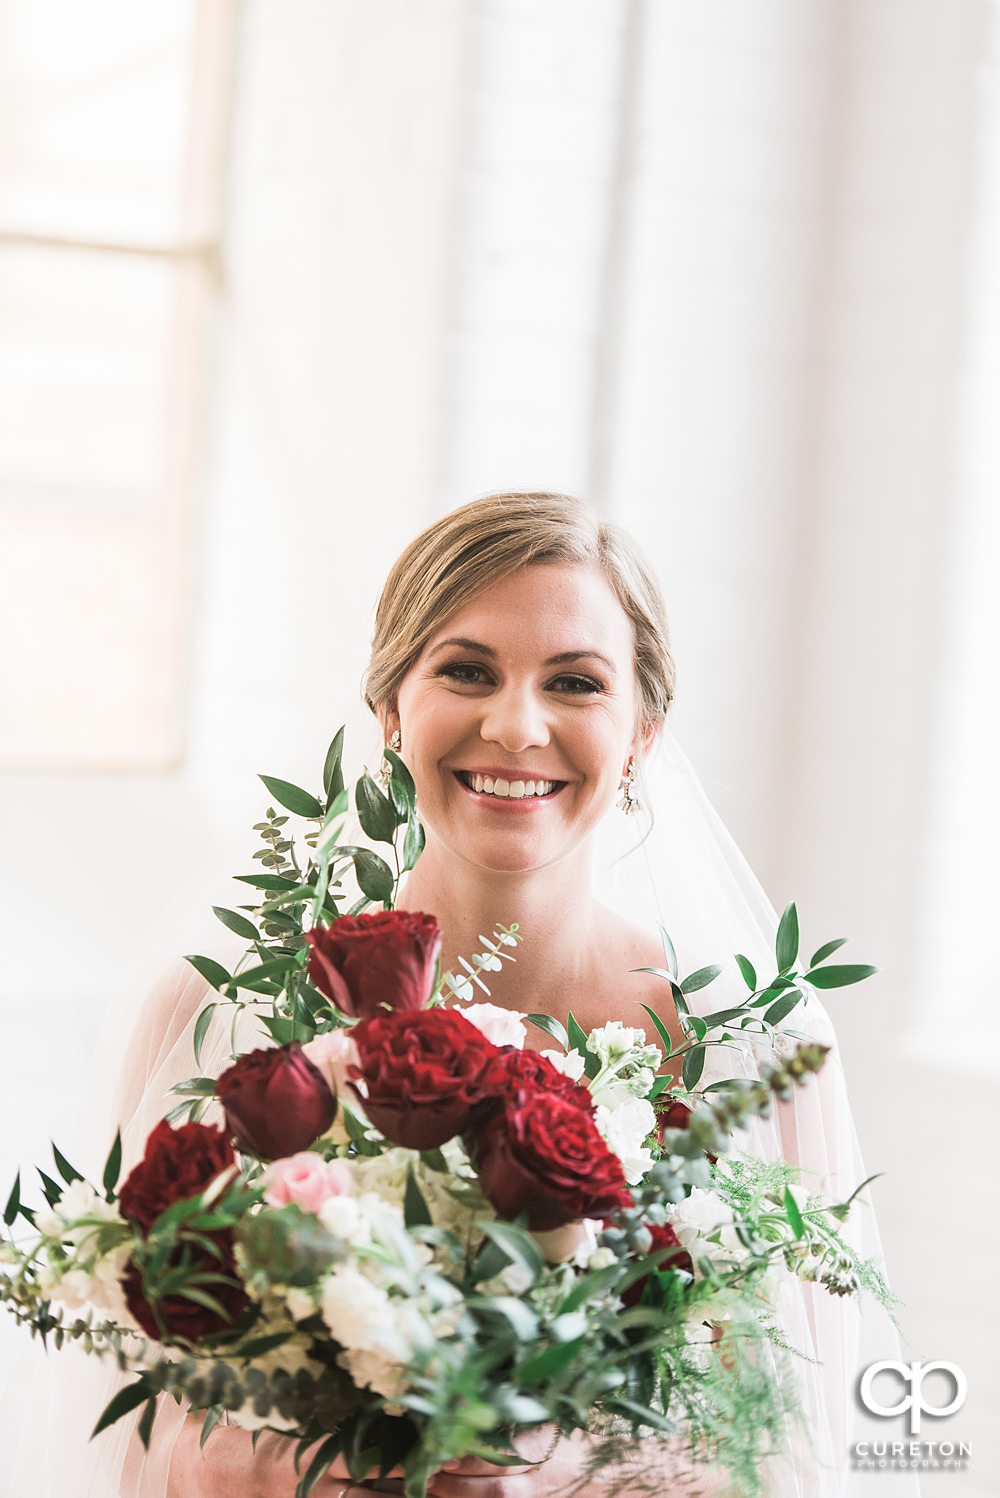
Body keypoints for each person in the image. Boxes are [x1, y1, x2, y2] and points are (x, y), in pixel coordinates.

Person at [41, 493, 895, 1496]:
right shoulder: (212, 1017)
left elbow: (795, 1451)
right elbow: (140, 1429)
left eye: (574, 682)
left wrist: (537, 1473)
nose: (515, 723)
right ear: (392, 709)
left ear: (642, 738)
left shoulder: (755, 1051)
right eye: (467, 670)